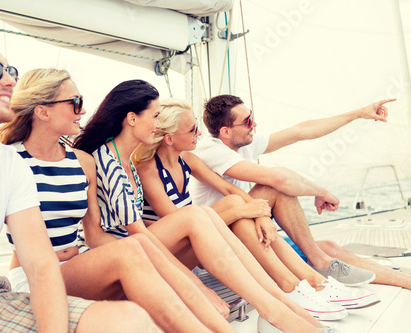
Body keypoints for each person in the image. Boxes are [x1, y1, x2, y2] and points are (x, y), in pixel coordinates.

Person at [0, 19, 156, 333]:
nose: (11, 82)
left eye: (10, 72)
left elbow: (41, 267)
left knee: (129, 322)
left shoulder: (5, 162)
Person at [75, 79, 336, 333]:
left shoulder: (125, 160)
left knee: (214, 212)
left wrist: (255, 214)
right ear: (132, 119)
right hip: (118, 259)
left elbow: (141, 226)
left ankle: (283, 299)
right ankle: (278, 307)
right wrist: (196, 285)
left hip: (143, 245)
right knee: (199, 215)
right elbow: (111, 235)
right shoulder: (107, 161)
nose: (158, 124)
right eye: (155, 117)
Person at [0, 68, 235, 333]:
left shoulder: (83, 162)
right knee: (135, 249)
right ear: (43, 111)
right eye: (75, 103)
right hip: (33, 276)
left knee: (144, 261)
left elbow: (93, 235)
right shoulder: (7, 161)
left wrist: (194, 285)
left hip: (78, 265)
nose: (82, 111)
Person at [133, 98, 380, 320]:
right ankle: (296, 285)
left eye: (197, 126)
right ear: (169, 138)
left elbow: (230, 190)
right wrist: (246, 210)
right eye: (192, 130)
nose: (198, 133)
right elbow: (180, 222)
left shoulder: (186, 158)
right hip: (174, 253)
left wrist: (259, 214)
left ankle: (308, 282)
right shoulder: (149, 170)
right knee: (237, 206)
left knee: (237, 203)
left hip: (206, 233)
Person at [190, 94, 410, 290]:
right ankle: (319, 263)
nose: (254, 124)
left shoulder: (243, 143)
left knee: (329, 248)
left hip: (244, 227)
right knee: (272, 185)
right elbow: (278, 179)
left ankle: (403, 281)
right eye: (247, 121)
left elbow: (301, 131)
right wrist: (321, 191)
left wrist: (358, 113)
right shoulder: (210, 150)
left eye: (252, 116)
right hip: (222, 241)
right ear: (225, 131)